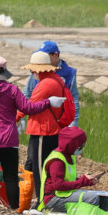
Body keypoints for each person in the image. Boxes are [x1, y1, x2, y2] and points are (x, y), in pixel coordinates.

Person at [0, 56, 64, 210]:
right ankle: (15, 210)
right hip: (8, 140)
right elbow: (29, 108)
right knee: (10, 177)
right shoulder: (12, 90)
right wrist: (49, 102)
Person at [18, 51, 75, 206]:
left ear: (38, 69)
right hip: (52, 130)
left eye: (32, 71)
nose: (32, 74)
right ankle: (47, 200)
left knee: (40, 170)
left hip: (43, 131)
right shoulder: (56, 80)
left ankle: (42, 203)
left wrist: (12, 120)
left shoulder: (45, 84)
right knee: (47, 168)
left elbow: (27, 107)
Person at [24, 40, 81, 127]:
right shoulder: (36, 70)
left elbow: (73, 99)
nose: (42, 58)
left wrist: (73, 124)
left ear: (55, 55)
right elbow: (27, 95)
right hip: (39, 122)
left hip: (61, 122)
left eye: (45, 55)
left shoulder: (69, 73)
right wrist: (19, 116)